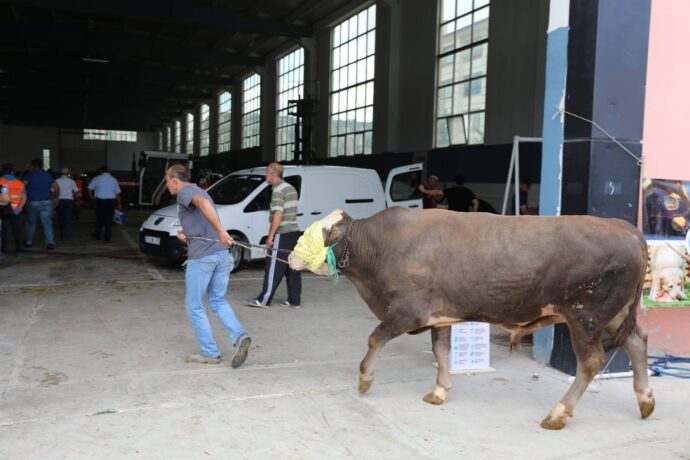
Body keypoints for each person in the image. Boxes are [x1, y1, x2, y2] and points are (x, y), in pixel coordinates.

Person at [165, 164, 251, 367]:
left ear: (175, 180)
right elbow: (203, 211)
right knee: (218, 300)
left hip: (203, 258)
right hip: (221, 255)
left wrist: (222, 231)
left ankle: (210, 353)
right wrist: (189, 236)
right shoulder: (200, 189)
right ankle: (240, 336)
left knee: (194, 305)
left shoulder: (185, 192)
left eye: (167, 180)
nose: (167, 184)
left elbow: (202, 203)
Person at [246, 162, 302, 308]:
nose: (266, 176)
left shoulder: (278, 190)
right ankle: (294, 300)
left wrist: (270, 236)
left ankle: (264, 300)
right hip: (294, 232)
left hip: (282, 233)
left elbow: (278, 213)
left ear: (272, 174)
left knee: (273, 267)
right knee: (292, 267)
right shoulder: (291, 188)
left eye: (266, 173)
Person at [23, 158, 59, 250]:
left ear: (32, 166)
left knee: (30, 223)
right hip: (46, 202)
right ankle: (50, 243)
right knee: (47, 223)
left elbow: (22, 186)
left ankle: (28, 242)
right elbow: (56, 187)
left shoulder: (29, 175)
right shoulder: (47, 175)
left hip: (32, 202)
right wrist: (55, 197)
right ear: (41, 166)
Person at [87, 165, 122, 243]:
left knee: (99, 219)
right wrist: (119, 204)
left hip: (99, 201)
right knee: (108, 220)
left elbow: (89, 188)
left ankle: (98, 234)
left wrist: (91, 197)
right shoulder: (114, 179)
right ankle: (107, 238)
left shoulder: (97, 178)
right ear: (108, 171)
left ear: (101, 171)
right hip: (111, 202)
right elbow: (117, 193)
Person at [0, 163, 27, 257]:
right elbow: (24, 197)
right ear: (12, 171)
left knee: (3, 232)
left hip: (2, 211)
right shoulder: (19, 182)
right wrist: (19, 208)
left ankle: (2, 251)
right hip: (16, 210)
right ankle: (19, 251)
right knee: (17, 232)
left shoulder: (0, 181)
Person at [55, 168, 80, 240]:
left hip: (59, 200)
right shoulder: (71, 181)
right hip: (69, 201)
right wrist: (77, 200)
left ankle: (62, 231)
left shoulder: (57, 180)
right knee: (67, 218)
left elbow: (53, 191)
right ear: (67, 174)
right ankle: (64, 235)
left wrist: (54, 199)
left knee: (60, 217)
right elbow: (76, 191)